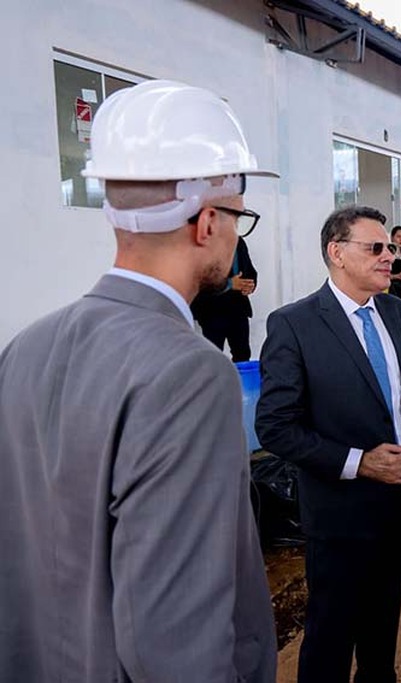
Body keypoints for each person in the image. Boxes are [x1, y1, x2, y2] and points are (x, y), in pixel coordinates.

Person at [0, 80, 277, 682]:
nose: (234, 235)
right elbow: (176, 642)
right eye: (239, 218)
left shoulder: (25, 347)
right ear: (208, 222)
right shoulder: (191, 372)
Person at [256, 205, 401, 683]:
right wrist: (359, 463)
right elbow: (275, 426)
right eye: (376, 248)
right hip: (339, 508)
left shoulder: (398, 313)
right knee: (331, 637)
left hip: (396, 497)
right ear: (337, 253)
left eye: (392, 248)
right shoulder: (294, 325)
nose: (390, 256)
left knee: (381, 635)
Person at [191, 234, 258, 361]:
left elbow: (250, 272)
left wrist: (250, 285)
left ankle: (241, 381)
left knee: (243, 355)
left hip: (238, 310)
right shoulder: (201, 245)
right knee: (213, 357)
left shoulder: (238, 242)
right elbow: (199, 280)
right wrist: (229, 284)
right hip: (211, 311)